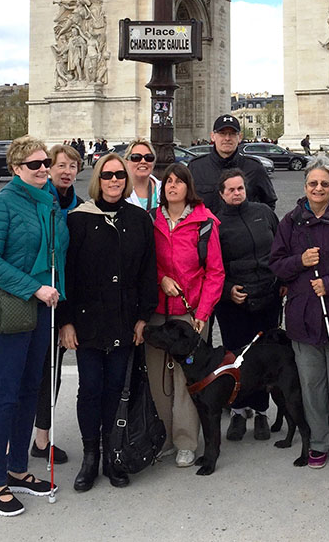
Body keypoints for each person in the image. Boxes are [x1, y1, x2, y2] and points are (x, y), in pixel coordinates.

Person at [0, 135, 69, 517]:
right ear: (16, 169)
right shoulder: (0, 205)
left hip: (44, 307)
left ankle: (17, 469)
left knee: (31, 390)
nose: (44, 169)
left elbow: (56, 255)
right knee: (7, 395)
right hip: (12, 307)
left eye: (45, 162)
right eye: (35, 165)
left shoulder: (50, 205)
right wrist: (34, 287)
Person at [59, 153, 157, 492]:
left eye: (119, 175)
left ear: (126, 180)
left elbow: (148, 272)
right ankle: (90, 456)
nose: (114, 180)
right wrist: (66, 322)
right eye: (107, 175)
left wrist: (144, 316)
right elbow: (67, 275)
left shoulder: (140, 219)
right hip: (87, 322)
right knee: (90, 390)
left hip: (124, 320)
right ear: (97, 179)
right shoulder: (78, 220)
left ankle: (112, 452)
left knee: (117, 390)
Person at [270, 157, 329, 469]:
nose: (319, 188)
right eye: (313, 183)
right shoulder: (289, 222)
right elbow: (276, 264)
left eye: (325, 184)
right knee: (312, 385)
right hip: (303, 317)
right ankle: (319, 440)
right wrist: (300, 261)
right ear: (305, 187)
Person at [146, 163, 224, 468]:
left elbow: (215, 273)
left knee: (187, 382)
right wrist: (161, 278)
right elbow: (144, 262)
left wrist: (203, 313)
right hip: (159, 310)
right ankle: (161, 437)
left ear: (188, 187)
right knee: (158, 379)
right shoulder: (151, 220)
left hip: (191, 315)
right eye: (168, 182)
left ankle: (186, 441)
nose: (172, 186)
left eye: (178, 182)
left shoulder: (205, 223)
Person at [215, 168, 280, 442]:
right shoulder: (216, 223)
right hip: (234, 303)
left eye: (240, 188)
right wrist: (229, 291)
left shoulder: (264, 213)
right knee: (237, 358)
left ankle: (262, 411)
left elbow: (280, 248)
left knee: (264, 356)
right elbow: (213, 266)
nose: (236, 193)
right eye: (230, 189)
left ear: (246, 189)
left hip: (268, 295)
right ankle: (239, 411)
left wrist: (282, 279)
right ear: (221, 194)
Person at [31, 144, 83, 464]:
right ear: (50, 168)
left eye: (73, 166)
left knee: (51, 373)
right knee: (26, 373)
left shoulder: (79, 207)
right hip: (32, 296)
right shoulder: (39, 199)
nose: (66, 171)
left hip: (60, 301)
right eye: (61, 165)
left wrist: (68, 316)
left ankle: (41, 440)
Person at [188, 114, 277, 215]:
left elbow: (269, 203)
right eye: (222, 133)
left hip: (242, 230)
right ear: (213, 136)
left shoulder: (255, 168)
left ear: (239, 137)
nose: (227, 138)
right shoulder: (196, 168)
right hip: (207, 229)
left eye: (232, 134)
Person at [124, 137, 161, 212]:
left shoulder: (165, 189)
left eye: (149, 157)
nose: (143, 161)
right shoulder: (118, 191)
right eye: (136, 157)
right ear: (126, 162)